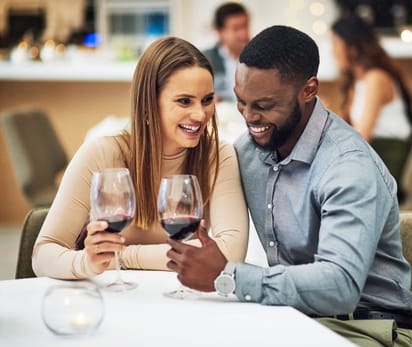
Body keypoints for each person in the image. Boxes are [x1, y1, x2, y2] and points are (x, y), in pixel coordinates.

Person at [166, 25, 412, 347]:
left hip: (370, 330)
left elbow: (340, 286)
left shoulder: (347, 166)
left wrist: (230, 276)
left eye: (264, 105)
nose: (249, 116)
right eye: (242, 102)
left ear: (309, 90)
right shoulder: (249, 152)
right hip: (296, 320)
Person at [32, 37, 249, 279]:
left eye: (207, 100)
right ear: (148, 102)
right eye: (184, 101)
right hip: (111, 302)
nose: (200, 114)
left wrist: (120, 256)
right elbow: (43, 255)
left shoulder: (218, 156)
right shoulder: (101, 154)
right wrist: (87, 262)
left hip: (180, 299)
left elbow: (229, 254)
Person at [331, 15, 412, 194]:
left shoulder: (376, 79)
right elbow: (347, 127)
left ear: (352, 48)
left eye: (335, 44)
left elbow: (363, 134)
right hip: (372, 156)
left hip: (386, 158)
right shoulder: (358, 82)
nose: (333, 51)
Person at [202, 2, 250, 102]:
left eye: (245, 26)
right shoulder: (204, 60)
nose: (243, 33)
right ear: (220, 32)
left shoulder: (257, 59)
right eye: (236, 28)